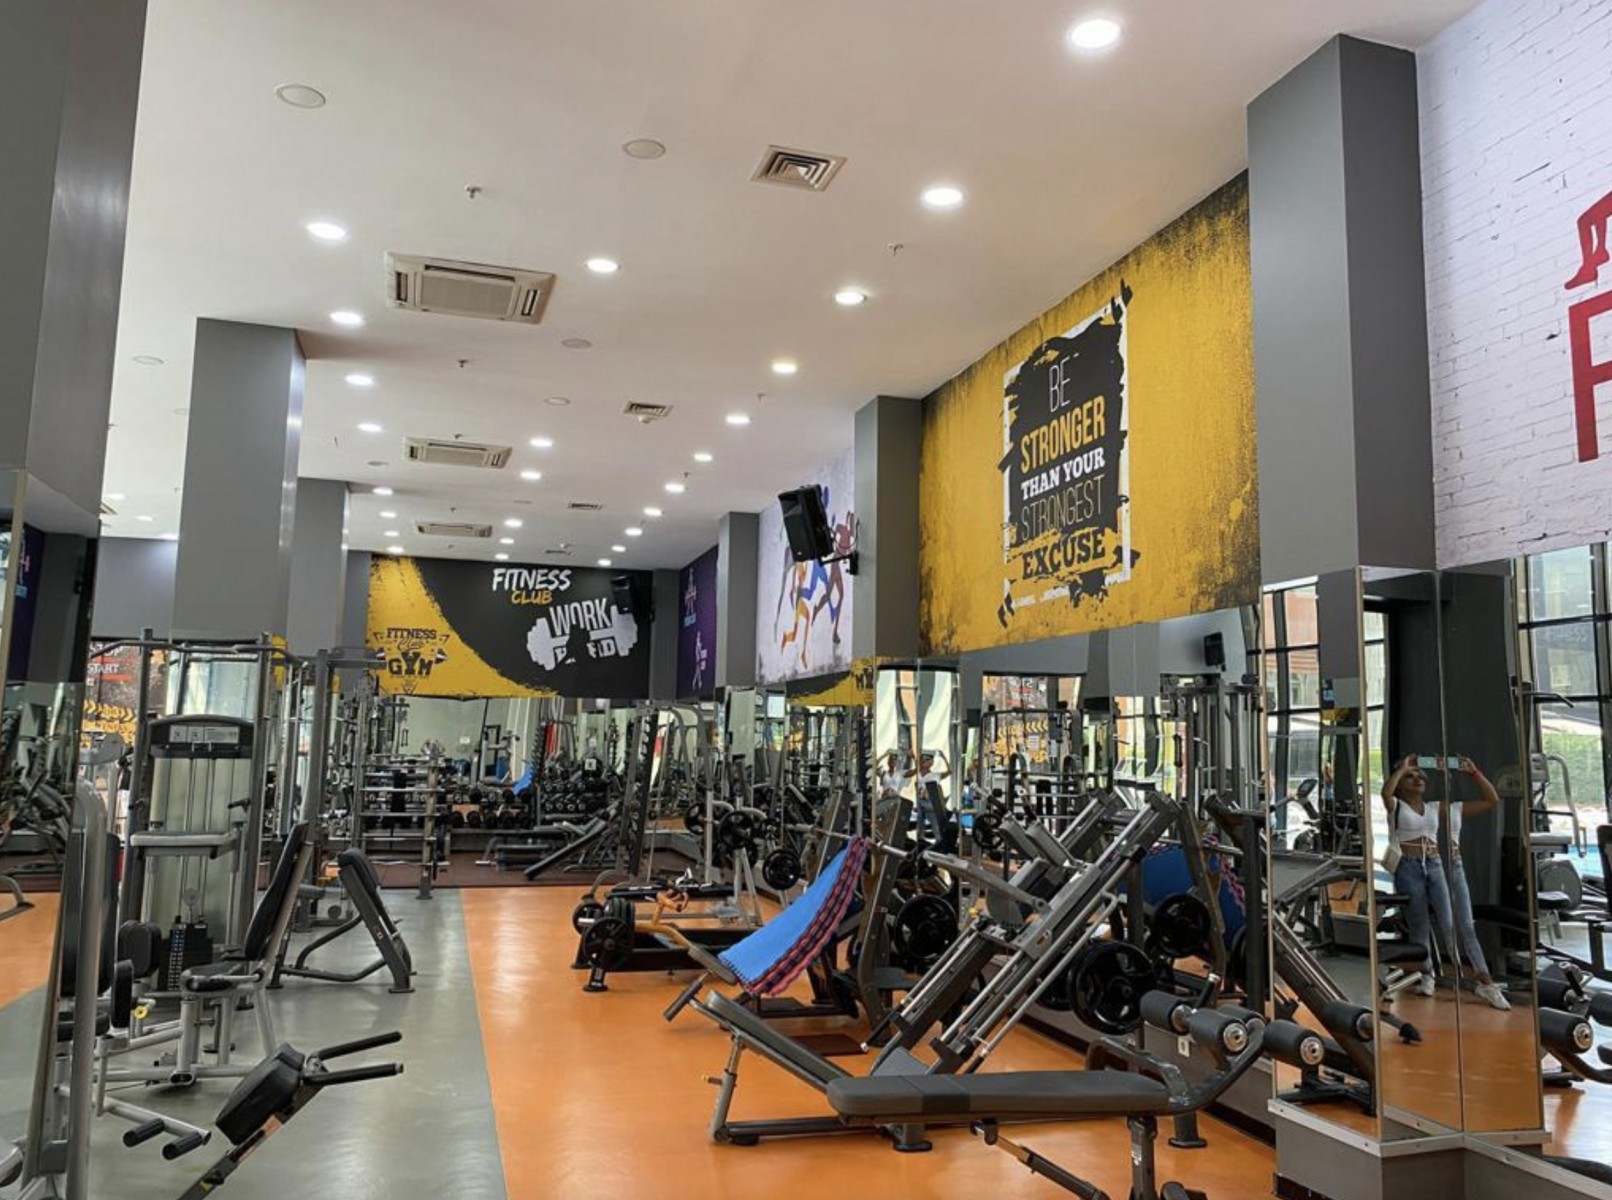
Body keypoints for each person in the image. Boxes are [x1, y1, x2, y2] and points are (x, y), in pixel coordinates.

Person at [1381, 756, 1457, 998]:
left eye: (1419, 776)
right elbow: (1385, 793)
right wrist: (1401, 769)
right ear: (1400, 783)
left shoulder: (1432, 806)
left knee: (1447, 919)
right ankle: (1427, 975)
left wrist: (1448, 771)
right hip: (1408, 865)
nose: (1416, 780)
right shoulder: (1396, 805)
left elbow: (1452, 797)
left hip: (1434, 863)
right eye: (1410, 777)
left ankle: (1458, 969)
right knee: (1419, 923)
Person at [1447, 756, 1512, 1010]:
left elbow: (1492, 800)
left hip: (1453, 866)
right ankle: (1428, 975)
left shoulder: (1454, 808)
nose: (1418, 780)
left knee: (1466, 925)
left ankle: (1486, 981)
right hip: (1421, 867)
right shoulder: (1405, 807)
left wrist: (1475, 773)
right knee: (1430, 924)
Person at [907, 751, 952, 843]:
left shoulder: (935, 776)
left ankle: (939, 841)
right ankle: (921, 840)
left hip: (930, 804)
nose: (924, 762)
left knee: (935, 825)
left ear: (931, 763)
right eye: (923, 760)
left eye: (927, 760)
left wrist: (943, 757)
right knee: (920, 823)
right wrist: (913, 757)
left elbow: (949, 771)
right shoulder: (918, 773)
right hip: (920, 803)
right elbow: (915, 768)